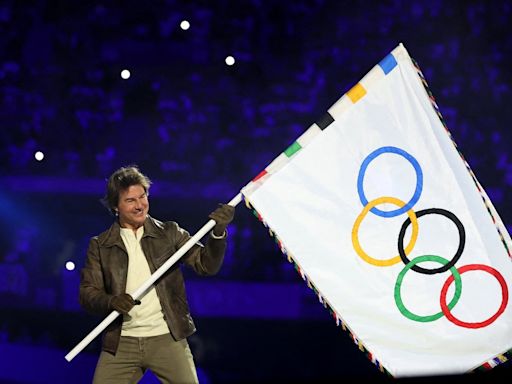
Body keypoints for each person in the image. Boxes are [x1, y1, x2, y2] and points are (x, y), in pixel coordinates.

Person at [79, 165, 235, 383]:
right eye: (130, 200)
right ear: (115, 206)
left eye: (142, 196)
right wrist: (111, 301)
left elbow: (206, 265)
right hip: (122, 341)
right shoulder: (100, 245)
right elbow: (87, 294)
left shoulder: (170, 233)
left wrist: (218, 233)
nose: (139, 205)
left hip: (167, 337)